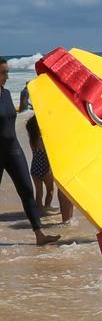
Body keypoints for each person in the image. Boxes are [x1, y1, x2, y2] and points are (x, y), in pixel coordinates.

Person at [0, 58, 59, 246]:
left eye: (7, 72)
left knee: (26, 189)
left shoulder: (7, 94)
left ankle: (39, 234)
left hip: (12, 150)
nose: (7, 76)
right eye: (3, 73)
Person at [25, 114, 55, 211]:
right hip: (46, 168)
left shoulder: (32, 140)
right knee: (50, 190)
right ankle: (47, 208)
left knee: (39, 192)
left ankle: (39, 209)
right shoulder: (43, 140)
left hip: (35, 168)